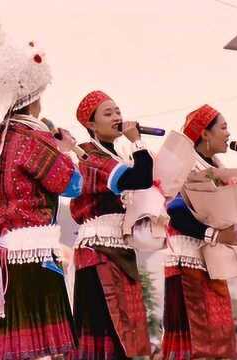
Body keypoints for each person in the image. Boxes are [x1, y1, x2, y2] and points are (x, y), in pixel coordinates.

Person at [0, 13, 81, 359]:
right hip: (36, 254)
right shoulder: (32, 138)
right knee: (42, 350)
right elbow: (72, 184)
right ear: (33, 97)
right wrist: (64, 149)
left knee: (13, 348)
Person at [162, 104, 237, 359]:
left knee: (218, 334)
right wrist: (215, 235)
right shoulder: (185, 164)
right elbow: (174, 211)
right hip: (187, 260)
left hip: (212, 263)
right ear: (205, 134)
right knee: (197, 336)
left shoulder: (218, 165)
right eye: (223, 127)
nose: (229, 134)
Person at [70, 90, 154, 359]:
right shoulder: (89, 156)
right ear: (91, 124)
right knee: (105, 329)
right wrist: (137, 142)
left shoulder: (114, 156)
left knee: (126, 333)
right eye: (108, 113)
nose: (117, 117)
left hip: (119, 250)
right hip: (97, 252)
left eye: (118, 111)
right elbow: (141, 177)